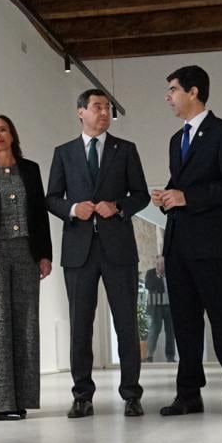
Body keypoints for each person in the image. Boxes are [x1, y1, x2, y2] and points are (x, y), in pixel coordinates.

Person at [151, 65, 222, 417]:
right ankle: (188, 394)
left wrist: (186, 198)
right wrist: (168, 196)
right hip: (179, 244)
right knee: (184, 321)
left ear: (194, 92)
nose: (168, 97)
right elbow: (184, 183)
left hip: (213, 243)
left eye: (173, 89)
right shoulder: (175, 140)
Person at [46, 88, 149, 418]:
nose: (104, 113)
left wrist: (117, 206)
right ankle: (82, 395)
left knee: (126, 324)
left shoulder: (126, 150)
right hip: (78, 252)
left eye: (107, 108)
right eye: (97, 107)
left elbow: (142, 195)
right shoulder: (63, 153)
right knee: (80, 325)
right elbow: (52, 198)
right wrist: (74, 208)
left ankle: (132, 394)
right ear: (80, 112)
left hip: (118, 249)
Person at [0, 115, 54, 421]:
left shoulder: (30, 170)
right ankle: (0, 403)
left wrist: (45, 254)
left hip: (26, 252)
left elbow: (40, 215)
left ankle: (24, 400)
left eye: (2, 129)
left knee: (27, 325)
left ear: (12, 135)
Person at [144, 258, 175, 363]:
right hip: (156, 306)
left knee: (170, 332)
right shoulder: (150, 273)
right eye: (158, 263)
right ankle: (149, 355)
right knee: (154, 330)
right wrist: (158, 276)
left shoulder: (171, 272)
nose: (160, 265)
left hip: (170, 306)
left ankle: (170, 357)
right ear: (155, 264)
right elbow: (149, 286)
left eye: (162, 263)